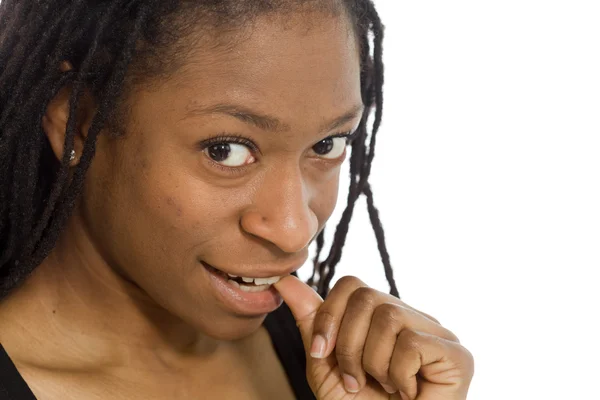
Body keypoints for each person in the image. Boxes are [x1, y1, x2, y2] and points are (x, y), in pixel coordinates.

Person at [0, 0, 474, 399]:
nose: (295, 229)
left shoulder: (344, 370)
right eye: (225, 150)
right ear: (76, 120)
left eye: (328, 144)